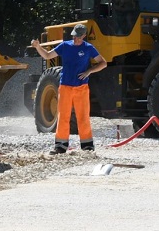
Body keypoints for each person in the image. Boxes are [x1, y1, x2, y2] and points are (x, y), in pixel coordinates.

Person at [30, 23, 107, 154]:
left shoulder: (88, 48)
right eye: (74, 36)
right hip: (65, 87)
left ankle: (87, 146)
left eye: (78, 36)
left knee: (83, 117)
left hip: (81, 88)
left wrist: (89, 71)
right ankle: (60, 146)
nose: (75, 38)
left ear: (83, 36)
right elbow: (48, 56)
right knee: (63, 116)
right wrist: (37, 47)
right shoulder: (65, 46)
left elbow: (103, 63)